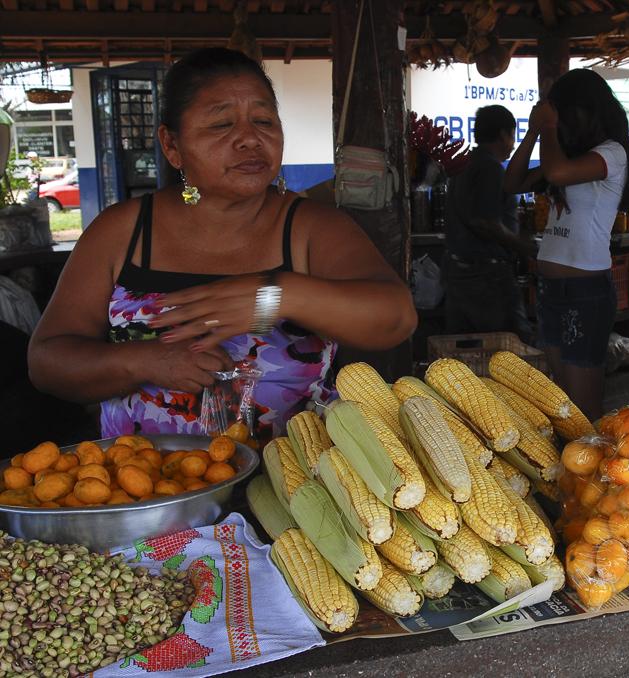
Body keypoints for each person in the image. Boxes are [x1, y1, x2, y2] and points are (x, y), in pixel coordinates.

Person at [27, 48, 417, 443]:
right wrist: (143, 361)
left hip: (295, 488)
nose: (250, 138)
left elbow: (396, 318)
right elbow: (47, 362)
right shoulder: (122, 231)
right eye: (221, 124)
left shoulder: (311, 227)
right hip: (145, 487)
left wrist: (277, 297)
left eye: (264, 120)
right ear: (172, 145)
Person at [504, 69, 629, 420]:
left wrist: (548, 128)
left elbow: (556, 174)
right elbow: (512, 183)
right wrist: (533, 132)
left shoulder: (611, 153)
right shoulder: (567, 156)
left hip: (585, 290)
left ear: (586, 111)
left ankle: (590, 467)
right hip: (552, 287)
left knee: (582, 407)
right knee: (558, 400)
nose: (562, 122)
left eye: (565, 114)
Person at [444, 104, 535, 339]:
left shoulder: (464, 163)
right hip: (487, 278)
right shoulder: (490, 168)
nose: (512, 144)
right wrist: (527, 247)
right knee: (513, 343)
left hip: (458, 274)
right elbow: (485, 223)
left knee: (467, 349)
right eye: (513, 136)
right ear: (504, 134)